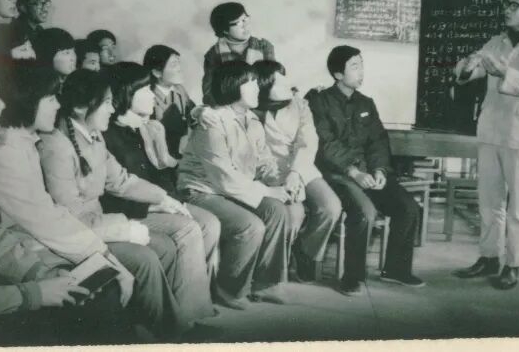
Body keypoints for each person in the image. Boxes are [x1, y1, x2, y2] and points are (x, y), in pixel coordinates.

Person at [0, 61, 171, 340]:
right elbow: (47, 221)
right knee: (104, 292)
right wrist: (107, 260)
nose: (58, 105)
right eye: (50, 98)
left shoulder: (25, 142)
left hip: (39, 245)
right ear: (28, 99)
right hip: (30, 250)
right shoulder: (9, 153)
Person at [37, 69, 217, 335]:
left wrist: (163, 198)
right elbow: (70, 216)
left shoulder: (92, 134)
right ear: (80, 108)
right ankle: (168, 331)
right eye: (107, 103)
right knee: (147, 256)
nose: (112, 109)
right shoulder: (57, 148)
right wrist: (124, 228)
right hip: (81, 234)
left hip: (98, 224)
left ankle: (162, 323)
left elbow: (121, 180)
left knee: (166, 247)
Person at [452, 0, 519, 290]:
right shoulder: (495, 42)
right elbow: (467, 75)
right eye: (507, 4)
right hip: (490, 131)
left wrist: (503, 72)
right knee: (489, 201)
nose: (507, 9)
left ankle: (513, 265)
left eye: (515, 5)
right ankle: (488, 257)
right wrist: (467, 68)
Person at [306, 45, 424, 296]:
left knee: (408, 208)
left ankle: (396, 269)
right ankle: (352, 276)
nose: (361, 72)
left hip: (368, 173)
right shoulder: (319, 101)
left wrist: (380, 170)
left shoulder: (366, 103)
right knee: (363, 213)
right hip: (336, 174)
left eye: (362, 65)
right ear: (338, 74)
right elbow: (327, 145)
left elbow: (378, 141)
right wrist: (353, 172)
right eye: (354, 66)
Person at [177, 60, 291, 309]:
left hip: (233, 191)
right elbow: (223, 176)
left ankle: (265, 283)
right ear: (232, 85)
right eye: (250, 83)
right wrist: (267, 190)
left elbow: (262, 161)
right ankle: (228, 289)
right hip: (202, 191)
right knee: (249, 226)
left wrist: (279, 178)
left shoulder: (253, 120)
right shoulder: (211, 121)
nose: (257, 88)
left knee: (278, 211)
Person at [103, 61, 221, 280]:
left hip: (158, 201)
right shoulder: (107, 135)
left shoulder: (149, 128)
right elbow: (112, 192)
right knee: (189, 229)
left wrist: (173, 201)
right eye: (145, 90)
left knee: (210, 223)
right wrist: (156, 205)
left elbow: (161, 174)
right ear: (126, 93)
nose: (152, 95)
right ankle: (189, 297)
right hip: (131, 210)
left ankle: (190, 288)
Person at [252, 60, 342, 282]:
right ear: (265, 86)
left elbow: (308, 141)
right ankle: (276, 266)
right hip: (270, 172)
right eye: (279, 80)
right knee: (293, 216)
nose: (287, 83)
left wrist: (295, 173)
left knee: (331, 208)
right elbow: (258, 154)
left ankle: (305, 252)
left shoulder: (299, 104)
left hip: (301, 166)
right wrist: (282, 181)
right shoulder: (251, 110)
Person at [202, 2, 274, 106]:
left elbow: (273, 81)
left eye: (245, 19)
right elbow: (209, 93)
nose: (245, 26)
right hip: (231, 107)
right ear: (224, 30)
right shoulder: (214, 55)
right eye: (238, 23)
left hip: (261, 104)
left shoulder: (263, 46)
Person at [143, 45, 195, 159]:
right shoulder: (147, 96)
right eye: (173, 65)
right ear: (157, 72)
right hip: (161, 155)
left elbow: (192, 113)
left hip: (185, 151)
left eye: (179, 63)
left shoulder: (179, 89)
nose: (179, 68)